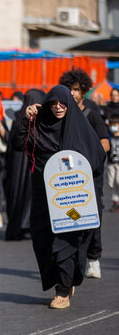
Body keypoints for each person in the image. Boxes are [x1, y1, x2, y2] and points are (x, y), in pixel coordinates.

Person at [17, 85, 105, 309]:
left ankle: (62, 291)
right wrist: (24, 119)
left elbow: (97, 155)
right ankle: (64, 281)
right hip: (43, 196)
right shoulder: (39, 125)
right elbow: (18, 144)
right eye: (53, 103)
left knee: (66, 240)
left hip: (71, 199)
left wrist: (74, 176)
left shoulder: (80, 127)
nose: (57, 107)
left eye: (62, 103)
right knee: (44, 241)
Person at [59, 68, 108, 280]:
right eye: (69, 89)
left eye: (76, 89)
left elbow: (105, 143)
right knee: (70, 216)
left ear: (84, 91)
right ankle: (71, 261)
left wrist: (87, 158)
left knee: (93, 217)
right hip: (66, 180)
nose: (72, 93)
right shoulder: (60, 115)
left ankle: (93, 259)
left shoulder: (92, 115)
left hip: (91, 178)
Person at [4, 89, 45, 240]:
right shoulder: (40, 119)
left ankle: (17, 225)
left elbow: (11, 143)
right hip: (31, 163)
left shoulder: (18, 117)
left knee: (16, 193)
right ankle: (27, 224)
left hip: (16, 165)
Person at [107, 115, 119, 212]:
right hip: (111, 162)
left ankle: (116, 200)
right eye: (112, 125)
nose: (113, 126)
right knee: (111, 183)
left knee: (118, 181)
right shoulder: (109, 136)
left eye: (115, 124)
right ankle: (115, 201)